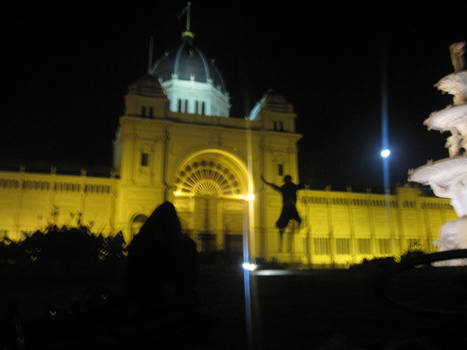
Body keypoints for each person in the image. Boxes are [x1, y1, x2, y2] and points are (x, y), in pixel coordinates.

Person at [261, 174, 306, 238]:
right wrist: (266, 182)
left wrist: (266, 182)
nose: (288, 181)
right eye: (288, 180)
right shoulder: (288, 186)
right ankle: (283, 230)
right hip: (289, 206)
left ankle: (283, 229)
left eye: (288, 180)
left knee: (288, 218)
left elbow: (275, 187)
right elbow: (275, 187)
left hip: (288, 207)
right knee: (289, 218)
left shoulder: (287, 186)